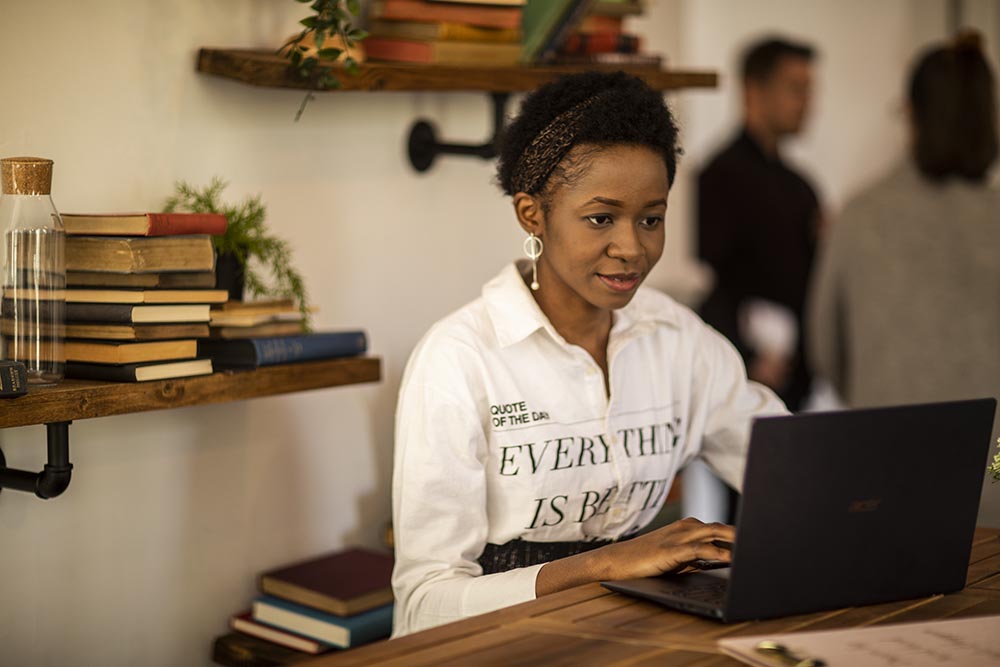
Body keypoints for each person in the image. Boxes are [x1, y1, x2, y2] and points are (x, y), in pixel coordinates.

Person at [391, 71, 787, 637]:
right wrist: (602, 566)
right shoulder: (459, 359)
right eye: (601, 218)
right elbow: (423, 603)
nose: (631, 248)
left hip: (635, 634)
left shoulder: (680, 341)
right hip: (494, 644)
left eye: (651, 218)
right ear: (533, 215)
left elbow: (797, 473)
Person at [808, 33, 1000, 427]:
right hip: (998, 464)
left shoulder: (861, 217)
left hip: (891, 460)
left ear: (910, 112)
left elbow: (825, 348)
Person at [697, 37, 820, 412]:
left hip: (798, 377)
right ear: (754, 89)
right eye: (795, 89)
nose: (807, 104)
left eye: (810, 91)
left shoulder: (800, 186)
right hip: (745, 376)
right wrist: (749, 355)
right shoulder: (719, 176)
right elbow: (712, 279)